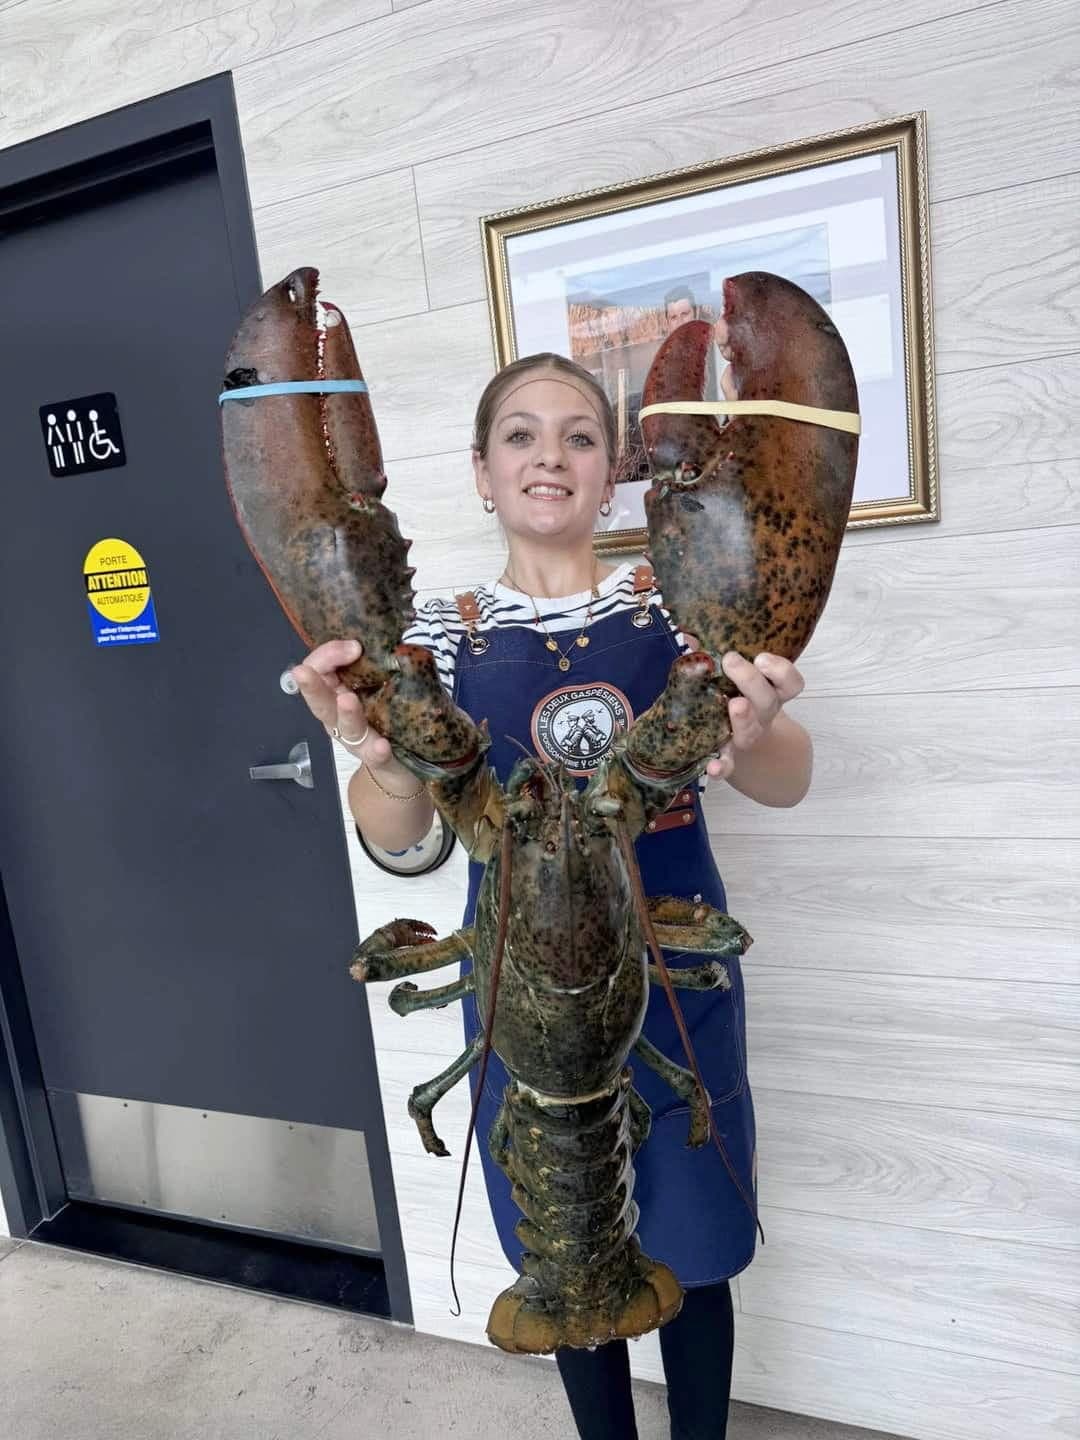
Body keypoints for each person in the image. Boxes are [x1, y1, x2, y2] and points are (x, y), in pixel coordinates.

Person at [293, 353, 812, 1440]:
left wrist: (754, 725)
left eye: (579, 435)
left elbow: (786, 776)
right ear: (482, 471)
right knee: (566, 1275)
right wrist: (370, 747)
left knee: (699, 1259)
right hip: (523, 1019)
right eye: (520, 435)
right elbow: (398, 831)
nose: (549, 456)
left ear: (614, 472)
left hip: (675, 993)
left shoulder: (683, 616)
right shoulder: (426, 640)